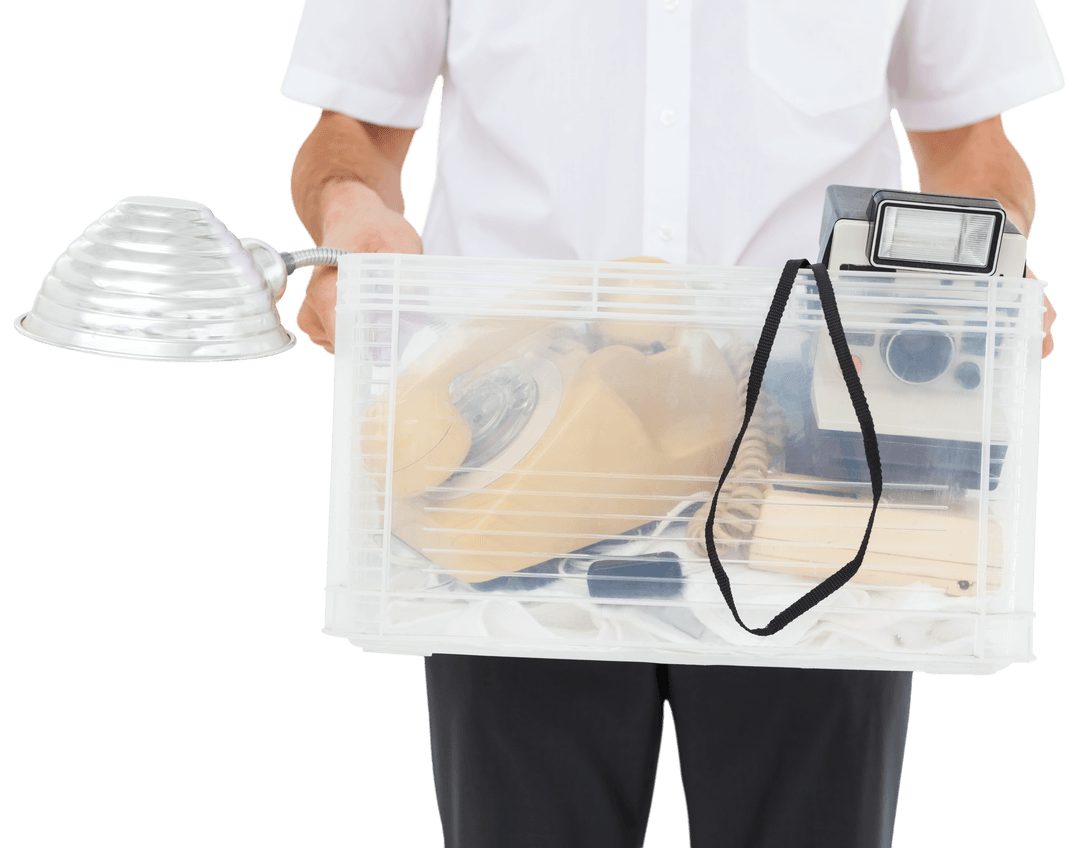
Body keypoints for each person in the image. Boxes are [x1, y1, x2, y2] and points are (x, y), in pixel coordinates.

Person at [280, 2, 1063, 846]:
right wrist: (350, 219)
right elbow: (353, 131)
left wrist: (989, 265)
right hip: (509, 477)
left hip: (809, 485)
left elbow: (968, 145)